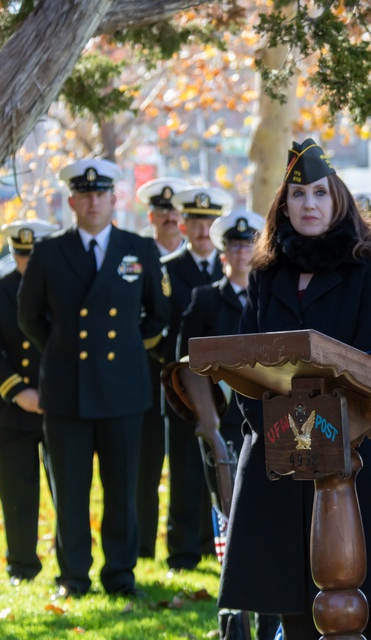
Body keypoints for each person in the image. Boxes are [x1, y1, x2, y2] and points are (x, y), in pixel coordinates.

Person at [218, 139, 371, 640]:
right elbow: (244, 366)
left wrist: (314, 431)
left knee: (349, 610)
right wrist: (282, 432)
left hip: (349, 458)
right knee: (292, 607)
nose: (309, 205)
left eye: (319, 193)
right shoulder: (264, 274)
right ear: (284, 206)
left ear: (338, 200)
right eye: (297, 195)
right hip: (278, 461)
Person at [17, 158, 170, 598]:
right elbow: (29, 317)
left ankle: (120, 575)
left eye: (101, 193)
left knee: (122, 488)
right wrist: (65, 349)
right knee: (70, 490)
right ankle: (73, 577)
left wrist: (122, 348)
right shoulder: (48, 252)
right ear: (71, 201)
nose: (93, 201)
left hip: (123, 388)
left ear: (113, 198)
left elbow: (157, 314)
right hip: (67, 389)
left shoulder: (138, 249)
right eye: (84, 194)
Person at [177, 209, 273, 640]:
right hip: (224, 436)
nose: (239, 253)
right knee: (229, 542)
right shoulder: (204, 301)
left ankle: (272, 637)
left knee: (269, 540)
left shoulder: (270, 297)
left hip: (269, 428)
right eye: (232, 246)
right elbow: (186, 369)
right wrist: (211, 433)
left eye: (246, 246)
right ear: (221, 255)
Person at [0, 220, 60, 586]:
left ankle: (71, 566)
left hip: (58, 407)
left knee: (67, 492)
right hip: (14, 409)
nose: (26, 263)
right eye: (19, 255)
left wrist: (56, 391)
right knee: (16, 492)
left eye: (32, 256)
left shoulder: (64, 288)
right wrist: (18, 392)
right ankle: (21, 566)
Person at [162, 185, 232, 571]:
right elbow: (159, 325)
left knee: (224, 463)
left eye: (209, 221)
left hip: (227, 389)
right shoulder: (167, 270)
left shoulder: (238, 270)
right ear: (183, 225)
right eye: (195, 221)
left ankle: (215, 542)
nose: (203, 228)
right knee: (186, 470)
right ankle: (183, 550)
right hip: (183, 389)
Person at [134, 176, 190, 559]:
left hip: (187, 381)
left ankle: (195, 543)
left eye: (175, 211)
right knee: (144, 466)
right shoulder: (136, 258)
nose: (169, 217)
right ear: (150, 215)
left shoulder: (199, 257)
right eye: (162, 211)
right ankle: (140, 547)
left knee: (190, 465)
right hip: (143, 375)